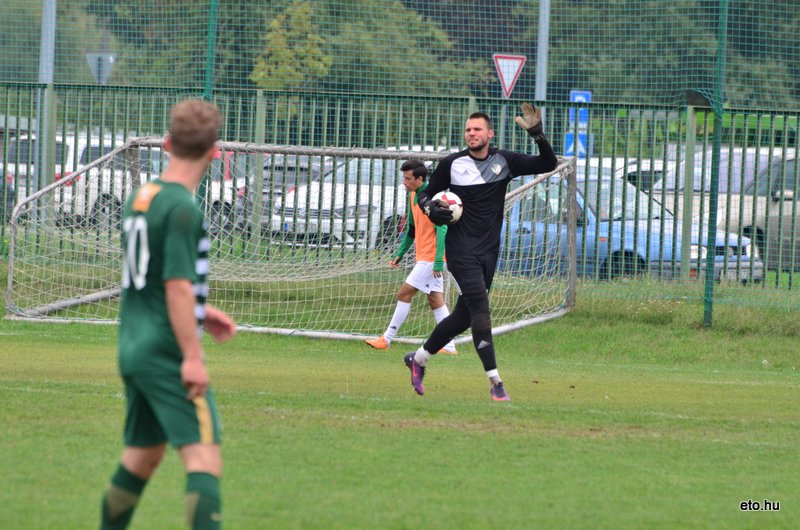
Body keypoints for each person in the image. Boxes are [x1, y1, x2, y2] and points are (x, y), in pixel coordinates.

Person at [99, 99, 236, 530]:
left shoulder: (144, 196)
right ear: (216, 152)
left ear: (166, 143)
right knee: (203, 457)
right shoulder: (182, 208)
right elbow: (175, 285)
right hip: (165, 350)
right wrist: (192, 357)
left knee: (142, 456)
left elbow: (152, 276)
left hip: (134, 344)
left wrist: (201, 307)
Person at [403, 103, 558, 401]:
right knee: (482, 313)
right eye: (467, 130)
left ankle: (418, 359)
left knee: (464, 316)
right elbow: (423, 193)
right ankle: (496, 383)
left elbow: (548, 163)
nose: (471, 134)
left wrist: (537, 134)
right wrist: (427, 206)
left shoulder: (505, 161)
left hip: (489, 252)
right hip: (461, 252)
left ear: (490, 133)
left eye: (477, 129)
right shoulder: (452, 164)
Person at [365, 159, 458, 355]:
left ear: (420, 179)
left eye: (408, 179)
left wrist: (439, 260)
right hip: (424, 256)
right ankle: (449, 347)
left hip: (431, 258)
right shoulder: (414, 196)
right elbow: (411, 229)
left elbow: (441, 229)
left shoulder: (433, 198)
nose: (404, 182)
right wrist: (399, 253)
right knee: (435, 300)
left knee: (404, 293)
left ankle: (386, 338)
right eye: (404, 178)